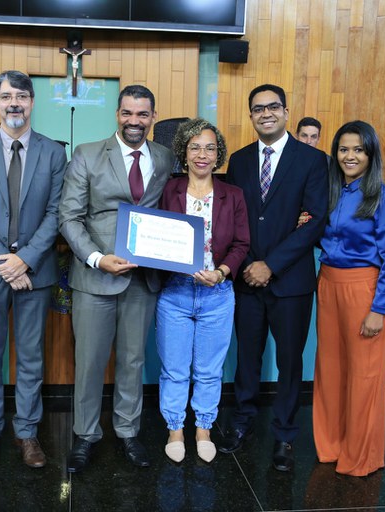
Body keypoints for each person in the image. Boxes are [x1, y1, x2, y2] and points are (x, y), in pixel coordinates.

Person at [59, 84, 175, 473]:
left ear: (153, 117)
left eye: (142, 114)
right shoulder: (88, 154)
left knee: (133, 360)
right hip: (95, 277)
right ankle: (85, 435)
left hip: (142, 280)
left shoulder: (164, 157)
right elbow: (69, 217)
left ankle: (128, 431)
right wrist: (96, 259)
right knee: (90, 361)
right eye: (127, 113)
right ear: (117, 114)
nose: (134, 121)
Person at [0, 70, 67, 470]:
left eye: (21, 96)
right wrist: (6, 263)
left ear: (32, 102)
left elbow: (56, 212)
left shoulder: (53, 153)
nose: (14, 103)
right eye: (6, 96)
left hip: (34, 272)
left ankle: (27, 432)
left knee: (31, 358)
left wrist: (26, 259)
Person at [221, 83, 329, 472]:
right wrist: (250, 263)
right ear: (251, 115)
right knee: (247, 357)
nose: (265, 113)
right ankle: (244, 419)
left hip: (291, 281)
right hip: (246, 278)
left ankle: (284, 433)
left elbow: (315, 220)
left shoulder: (313, 160)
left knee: (289, 360)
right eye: (257, 108)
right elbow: (233, 218)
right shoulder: (238, 160)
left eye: (272, 107)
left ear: (285, 112)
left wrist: (271, 264)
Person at [155, 118, 249, 463]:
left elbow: (241, 243)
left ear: (218, 154)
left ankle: (204, 429)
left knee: (209, 370)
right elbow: (156, 237)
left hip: (217, 295)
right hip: (175, 293)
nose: (202, 154)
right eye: (195, 147)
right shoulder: (168, 190)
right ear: (183, 152)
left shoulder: (233, 195)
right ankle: (175, 429)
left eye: (210, 148)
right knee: (175, 369)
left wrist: (222, 272)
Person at [312, 120, 385, 476]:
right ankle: (331, 446)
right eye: (343, 149)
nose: (350, 156)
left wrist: (379, 309)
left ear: (371, 154)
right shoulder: (332, 191)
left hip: (364, 290)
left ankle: (361, 455)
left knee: (364, 375)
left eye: (358, 150)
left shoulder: (383, 197)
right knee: (330, 370)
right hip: (327, 284)